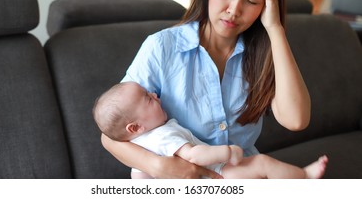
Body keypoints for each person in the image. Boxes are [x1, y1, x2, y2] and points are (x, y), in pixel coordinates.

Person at [102, 0, 316, 178]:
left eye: (252, 1)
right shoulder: (162, 47)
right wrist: (159, 166)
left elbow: (296, 120)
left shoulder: (264, 53)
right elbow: (111, 135)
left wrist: (275, 28)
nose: (235, 9)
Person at [93, 81, 328, 179]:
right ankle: (303, 177)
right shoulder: (162, 136)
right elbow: (193, 156)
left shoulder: (140, 142)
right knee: (262, 164)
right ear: (135, 126)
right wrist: (228, 151)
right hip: (215, 176)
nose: (155, 95)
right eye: (148, 98)